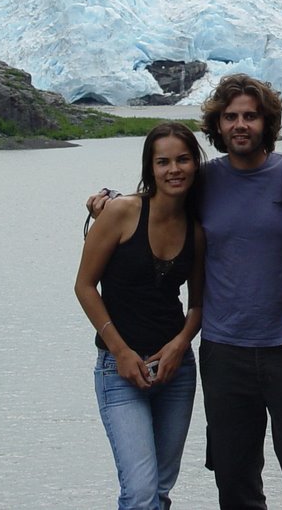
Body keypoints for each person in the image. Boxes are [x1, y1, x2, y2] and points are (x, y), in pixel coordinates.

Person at [88, 73, 282, 509]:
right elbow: (156, 194)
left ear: (267, 123)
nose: (241, 124)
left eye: (251, 116)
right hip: (225, 352)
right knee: (235, 481)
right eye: (231, 116)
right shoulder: (203, 180)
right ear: (217, 125)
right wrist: (105, 198)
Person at [75, 121, 206, 510]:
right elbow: (84, 286)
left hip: (175, 371)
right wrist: (119, 351)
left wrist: (180, 346)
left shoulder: (196, 230)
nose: (174, 170)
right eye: (163, 161)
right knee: (140, 491)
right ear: (150, 168)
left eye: (183, 160)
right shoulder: (120, 213)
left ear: (195, 165)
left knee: (159, 491)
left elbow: (197, 304)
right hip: (119, 370)